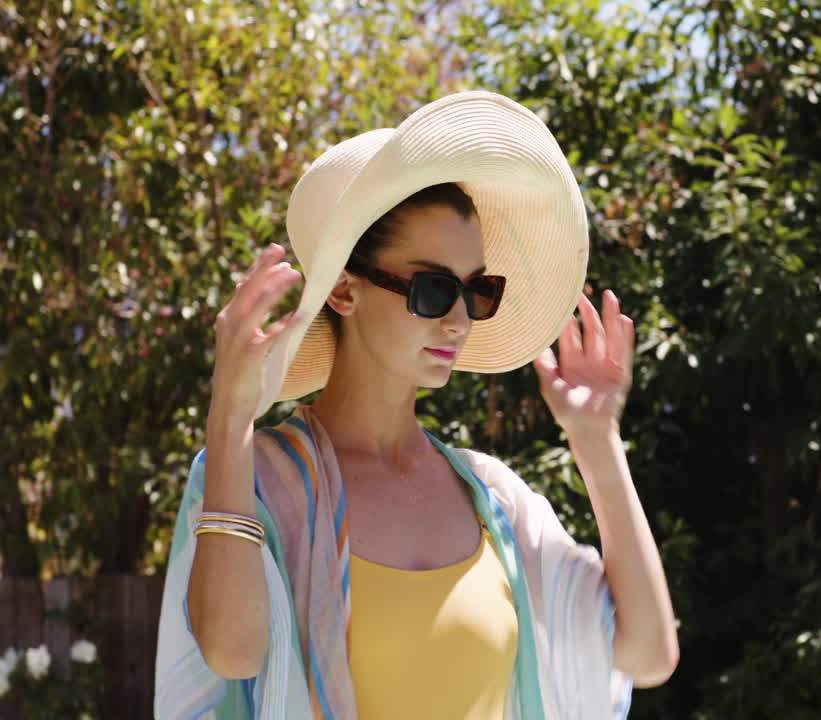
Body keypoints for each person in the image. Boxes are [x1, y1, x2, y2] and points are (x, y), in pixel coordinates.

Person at [154, 91, 679, 720]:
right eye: (433, 288)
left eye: (478, 291)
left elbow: (647, 654)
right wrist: (231, 412)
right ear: (345, 290)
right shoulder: (255, 478)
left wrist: (596, 441)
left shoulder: (494, 499)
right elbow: (232, 653)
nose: (459, 319)